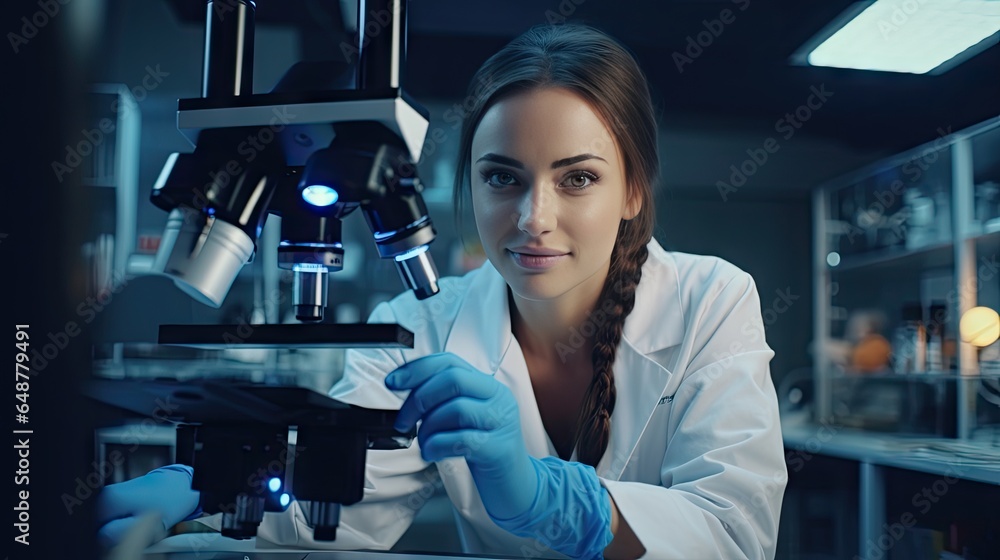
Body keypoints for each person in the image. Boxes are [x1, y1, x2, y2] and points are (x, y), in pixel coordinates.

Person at [97, 23, 786, 560]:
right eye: (502, 177)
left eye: (577, 178)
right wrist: (203, 489)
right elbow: (326, 505)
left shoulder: (712, 301)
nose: (532, 218)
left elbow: (736, 536)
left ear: (633, 190)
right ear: (471, 186)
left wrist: (551, 498)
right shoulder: (418, 322)